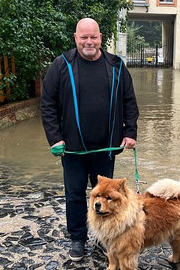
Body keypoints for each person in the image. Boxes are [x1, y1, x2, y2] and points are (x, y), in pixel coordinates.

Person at [40, 17, 139, 261]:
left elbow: (129, 102)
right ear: (76, 38)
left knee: (105, 197)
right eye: (84, 37)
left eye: (93, 36)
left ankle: (104, 236)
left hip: (105, 148)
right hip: (72, 149)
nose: (89, 41)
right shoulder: (61, 65)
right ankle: (78, 239)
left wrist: (130, 132)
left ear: (100, 38)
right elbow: (48, 104)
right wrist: (54, 138)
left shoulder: (116, 66)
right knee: (74, 193)